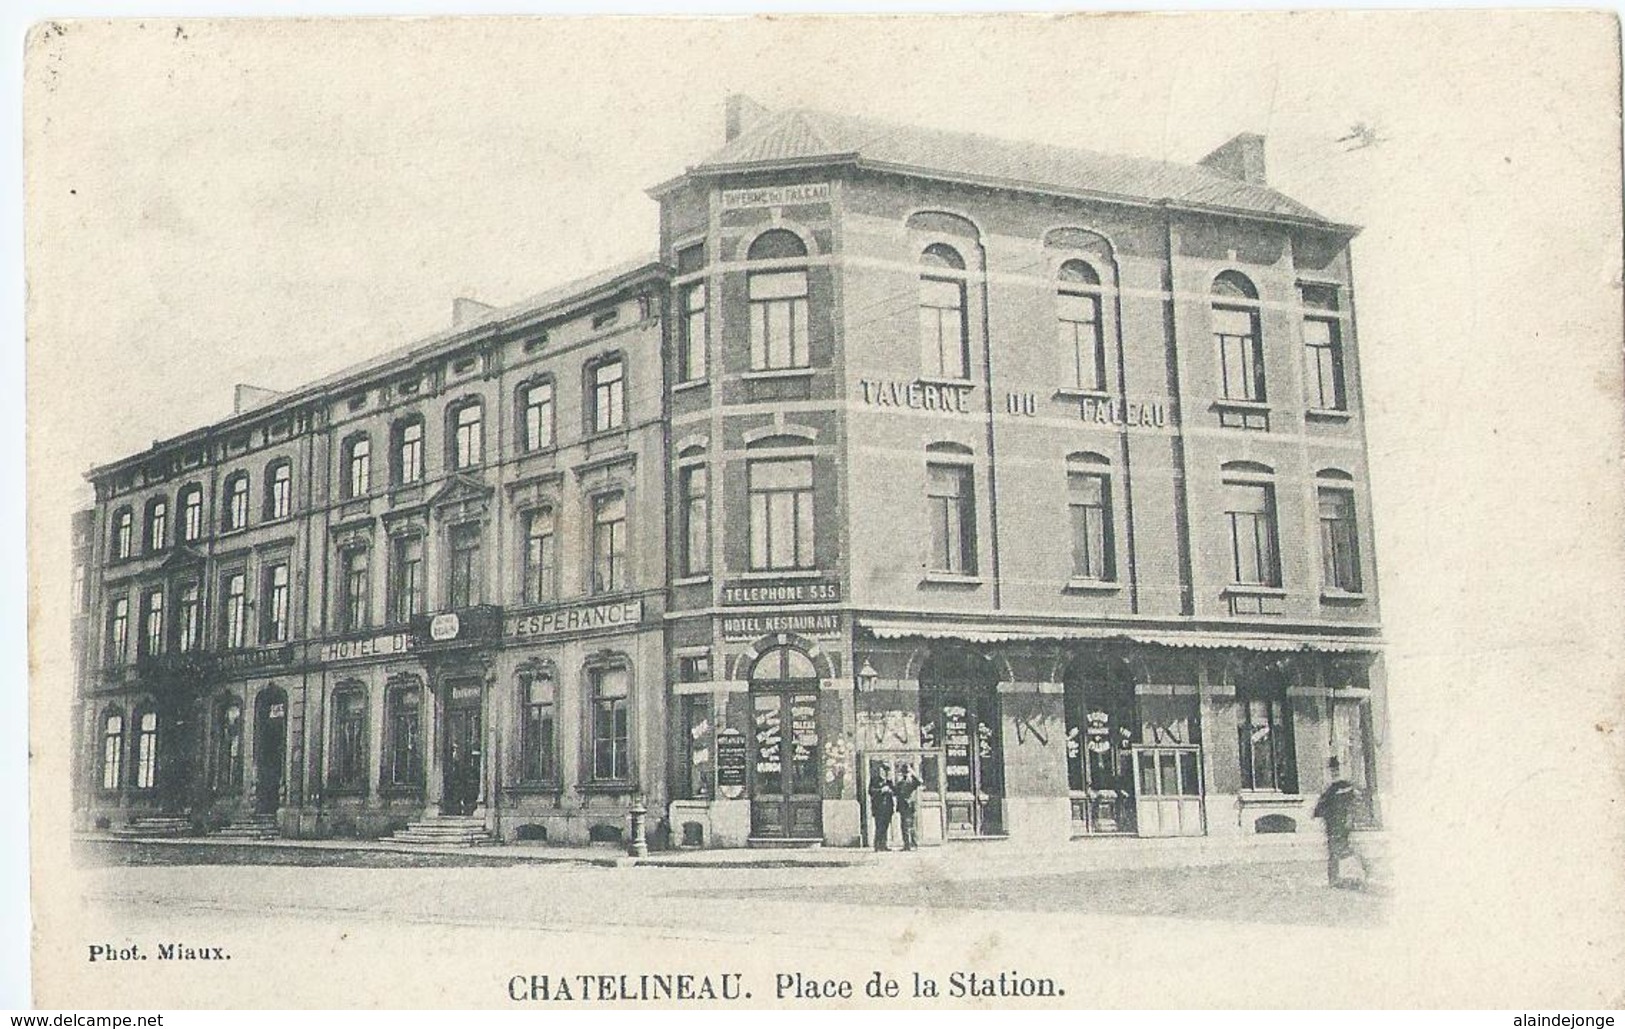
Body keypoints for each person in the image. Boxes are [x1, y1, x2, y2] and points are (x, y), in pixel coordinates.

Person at [1312, 757, 1367, 888]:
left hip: (1342, 824)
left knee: (1341, 850)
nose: (1334, 772)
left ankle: (1360, 867)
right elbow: (1321, 806)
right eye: (1332, 770)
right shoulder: (1330, 789)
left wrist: (1350, 819)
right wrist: (1318, 814)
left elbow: (1353, 804)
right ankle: (1334, 879)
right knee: (1334, 851)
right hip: (1332, 825)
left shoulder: (1346, 787)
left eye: (1336, 770)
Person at [894, 762, 922, 851]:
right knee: (905, 826)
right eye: (904, 772)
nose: (904, 773)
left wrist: (912, 773)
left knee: (910, 826)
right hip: (903, 806)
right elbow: (896, 792)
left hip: (909, 806)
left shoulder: (911, 781)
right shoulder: (900, 782)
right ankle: (908, 844)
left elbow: (919, 781)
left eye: (905, 771)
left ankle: (913, 844)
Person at [867, 761, 895, 851]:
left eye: (887, 771)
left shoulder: (889, 781)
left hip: (888, 808)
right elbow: (870, 791)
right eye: (883, 770)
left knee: (885, 827)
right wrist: (881, 790)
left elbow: (895, 791)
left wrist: (891, 790)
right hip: (878, 807)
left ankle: (884, 845)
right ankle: (877, 845)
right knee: (879, 827)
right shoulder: (875, 780)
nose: (885, 773)